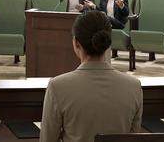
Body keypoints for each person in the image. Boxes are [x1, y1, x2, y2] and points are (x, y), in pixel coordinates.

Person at [39, 11, 142, 142]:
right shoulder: (134, 86)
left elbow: (47, 139)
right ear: (108, 43)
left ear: (76, 43)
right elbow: (133, 137)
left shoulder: (57, 86)